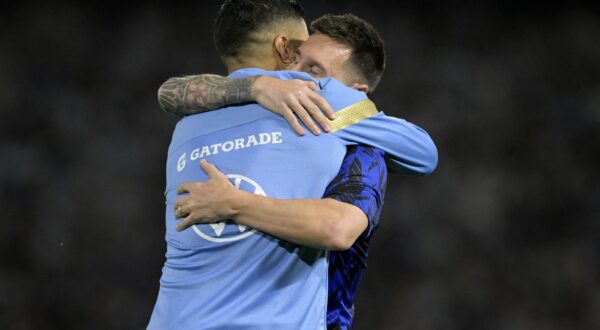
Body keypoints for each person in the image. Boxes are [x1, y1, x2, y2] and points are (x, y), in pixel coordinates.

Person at [148, 2, 437, 329]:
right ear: (283, 47)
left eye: (312, 68)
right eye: (298, 54)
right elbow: (423, 153)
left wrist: (257, 86)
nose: (297, 71)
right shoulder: (324, 101)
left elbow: (167, 92)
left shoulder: (188, 119)